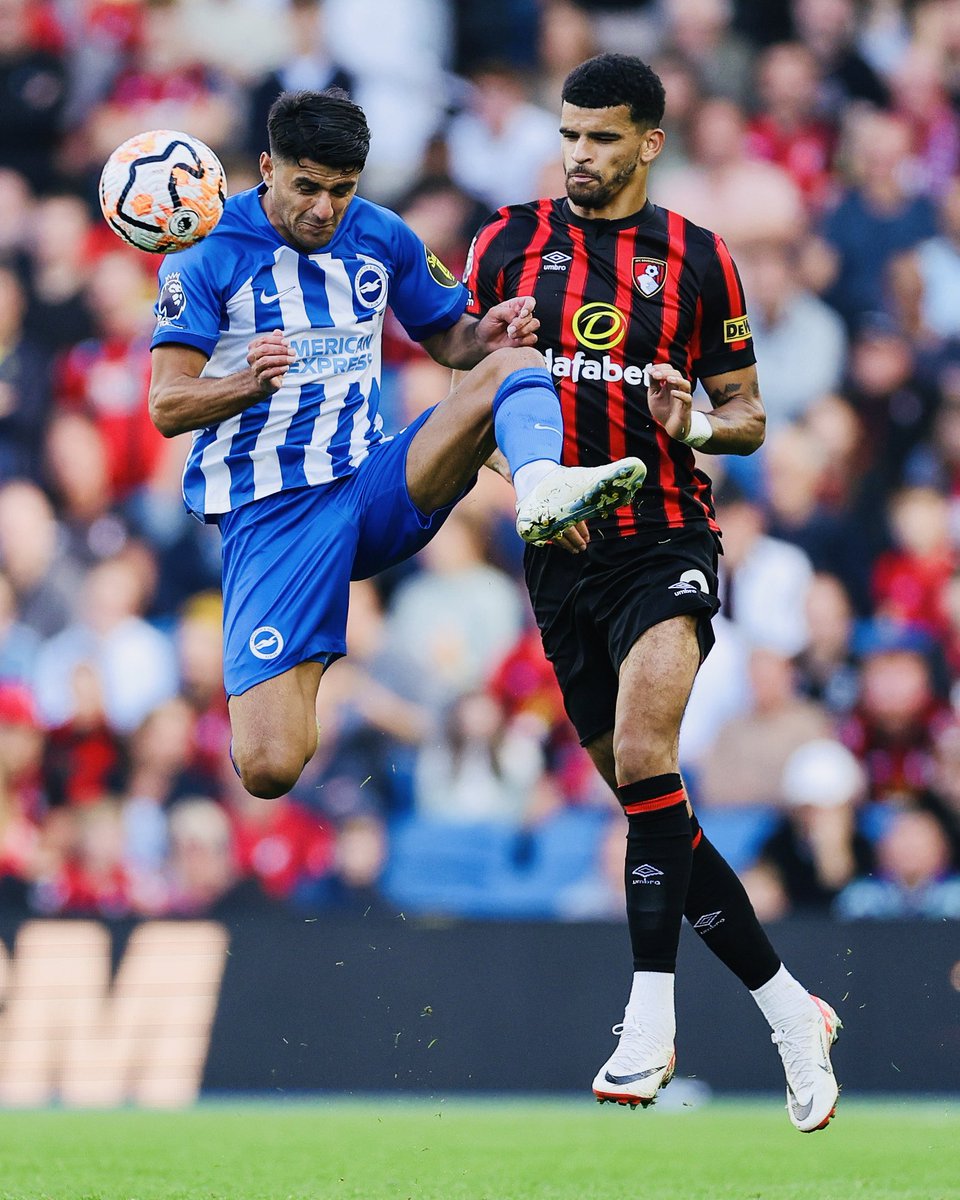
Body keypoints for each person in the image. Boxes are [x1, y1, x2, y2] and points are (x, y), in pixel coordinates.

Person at [465, 53, 841, 1131]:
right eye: (568, 135)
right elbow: (467, 404)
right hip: (559, 556)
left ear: (649, 142)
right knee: (652, 805)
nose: (577, 155)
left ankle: (648, 1018)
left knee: (642, 756)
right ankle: (787, 1012)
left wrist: (695, 426)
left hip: (664, 535)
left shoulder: (699, 259)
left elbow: (750, 416)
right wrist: (523, 477)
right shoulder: (505, 242)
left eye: (600, 138)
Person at [146, 88, 646, 802]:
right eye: (308, 187)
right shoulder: (206, 256)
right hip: (274, 518)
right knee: (270, 766)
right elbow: (168, 404)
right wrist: (244, 387)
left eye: (342, 190)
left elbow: (449, 336)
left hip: (373, 480)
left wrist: (487, 332)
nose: (324, 208)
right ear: (267, 167)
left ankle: (539, 485)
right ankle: (316, 650)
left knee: (515, 365)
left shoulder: (382, 235)